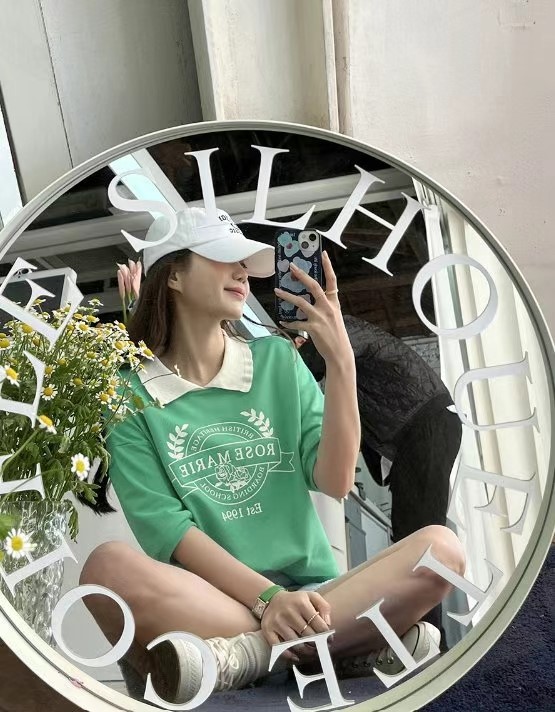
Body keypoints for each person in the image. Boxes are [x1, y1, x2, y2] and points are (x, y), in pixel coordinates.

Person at [80, 208, 466, 705]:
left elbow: (335, 480)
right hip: (216, 602)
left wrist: (341, 361)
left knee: (442, 549)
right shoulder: (126, 395)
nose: (242, 273)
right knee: (105, 569)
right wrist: (269, 600)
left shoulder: (278, 361)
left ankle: (251, 655)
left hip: (318, 592)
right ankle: (345, 646)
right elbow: (167, 528)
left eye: (245, 263)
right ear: (172, 275)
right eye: (223, 259)